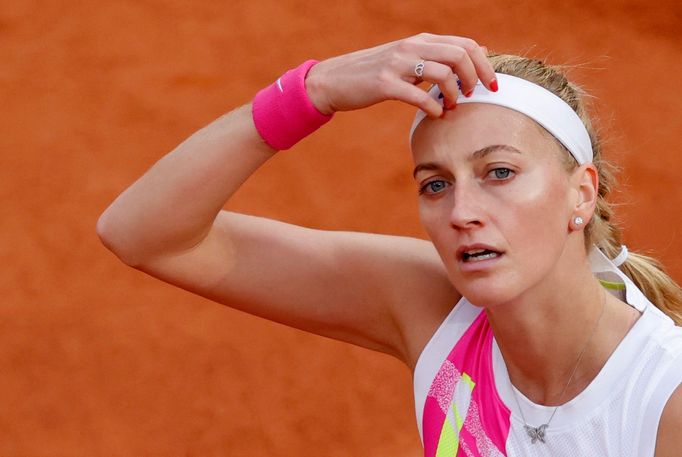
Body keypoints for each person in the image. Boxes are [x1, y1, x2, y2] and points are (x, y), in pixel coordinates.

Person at [96, 33, 682, 456]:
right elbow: (144, 234)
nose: (462, 212)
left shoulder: (665, 397)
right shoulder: (433, 307)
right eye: (435, 184)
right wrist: (313, 90)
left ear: (581, 194)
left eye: (499, 172)